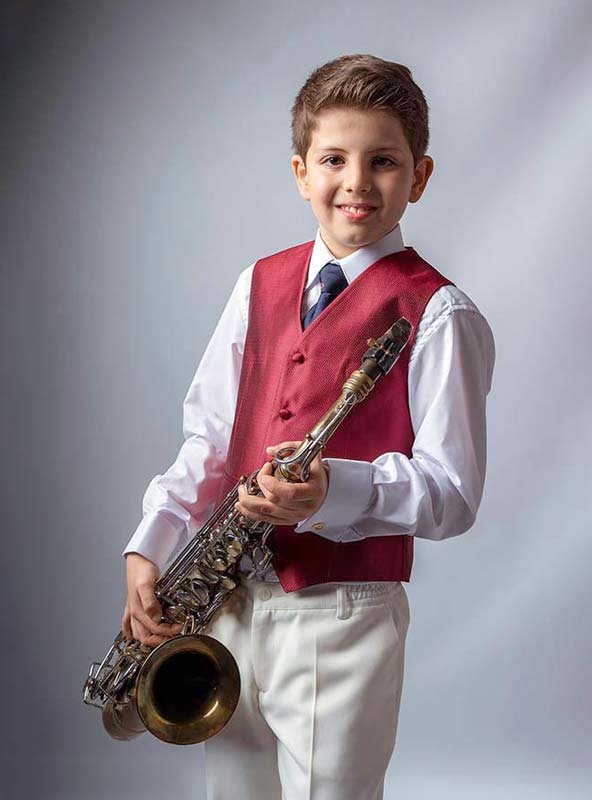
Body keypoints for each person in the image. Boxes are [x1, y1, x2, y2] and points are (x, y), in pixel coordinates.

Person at [121, 54, 495, 800]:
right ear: (300, 171)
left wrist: (333, 491)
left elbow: (453, 495)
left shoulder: (441, 313)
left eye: (383, 162)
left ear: (419, 176)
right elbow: (208, 441)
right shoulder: (257, 281)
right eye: (333, 159)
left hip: (341, 618)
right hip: (226, 604)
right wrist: (149, 550)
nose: (356, 183)